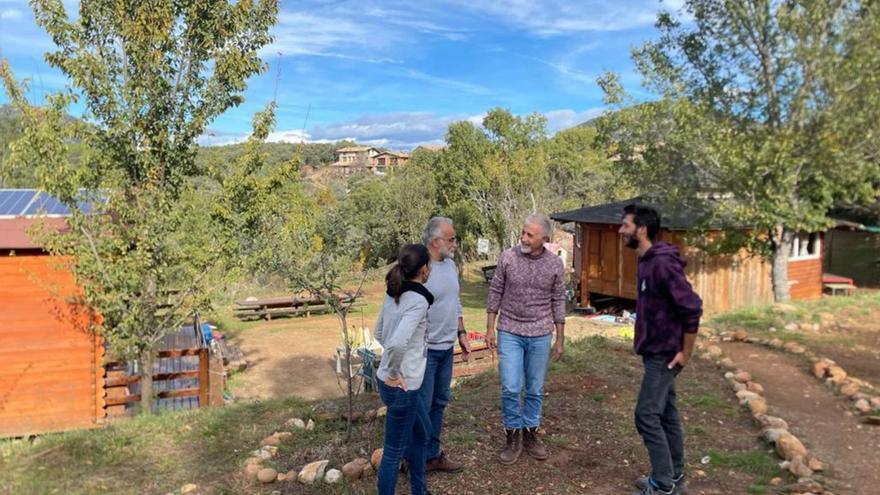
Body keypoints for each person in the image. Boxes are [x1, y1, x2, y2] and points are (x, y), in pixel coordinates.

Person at [619, 204, 703, 495]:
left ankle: (662, 485)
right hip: (654, 350)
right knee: (666, 413)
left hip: (666, 354)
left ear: (641, 230)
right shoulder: (645, 260)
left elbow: (692, 307)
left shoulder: (661, 264)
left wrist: (686, 352)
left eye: (625, 225)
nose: (621, 230)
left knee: (646, 415)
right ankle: (675, 476)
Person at [486, 214, 565, 465]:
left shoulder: (554, 264)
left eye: (530, 235)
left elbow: (558, 300)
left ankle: (531, 432)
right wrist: (490, 327)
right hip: (509, 329)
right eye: (523, 233)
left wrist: (560, 338)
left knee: (534, 387)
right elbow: (495, 290)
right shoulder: (508, 257)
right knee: (510, 386)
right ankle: (512, 435)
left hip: (540, 332)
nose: (524, 238)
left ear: (545, 239)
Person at [374, 243, 435, 495]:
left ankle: (419, 490)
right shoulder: (418, 300)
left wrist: (390, 368)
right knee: (392, 452)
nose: (430, 269)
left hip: (396, 384)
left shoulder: (394, 291)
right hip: (401, 387)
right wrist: (393, 373)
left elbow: (379, 333)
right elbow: (397, 342)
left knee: (423, 433)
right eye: (429, 266)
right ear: (423, 270)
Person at [420, 217, 470, 473]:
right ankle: (414, 458)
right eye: (451, 239)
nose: (455, 244)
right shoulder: (420, 268)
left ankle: (433, 456)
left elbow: (455, 301)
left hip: (446, 347)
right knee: (422, 407)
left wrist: (461, 332)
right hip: (425, 351)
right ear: (435, 241)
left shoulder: (450, 265)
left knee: (439, 402)